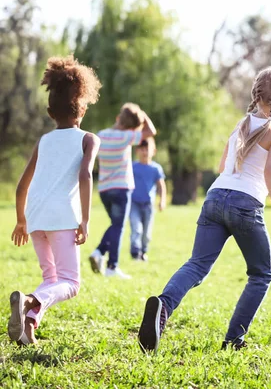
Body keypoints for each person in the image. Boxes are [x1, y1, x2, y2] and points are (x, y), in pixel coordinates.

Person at [138, 66, 271, 352]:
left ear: (256, 94)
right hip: (244, 205)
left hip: (214, 197)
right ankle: (233, 340)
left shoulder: (241, 124)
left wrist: (265, 178)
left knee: (197, 264)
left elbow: (224, 168)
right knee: (261, 274)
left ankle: (164, 305)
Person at [9, 55, 102, 345]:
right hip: (63, 217)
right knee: (71, 284)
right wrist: (85, 220)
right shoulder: (88, 139)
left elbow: (21, 186)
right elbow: (86, 176)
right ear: (83, 108)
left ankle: (28, 327)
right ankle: (28, 301)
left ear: (51, 112)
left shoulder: (44, 141)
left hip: (36, 217)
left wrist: (22, 220)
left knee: (52, 279)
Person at [88, 103, 157, 279]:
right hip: (121, 188)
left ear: (119, 118)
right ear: (133, 126)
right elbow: (151, 131)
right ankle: (112, 266)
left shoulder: (102, 135)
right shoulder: (127, 136)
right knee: (118, 227)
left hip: (104, 189)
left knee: (115, 225)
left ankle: (99, 253)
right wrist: (142, 112)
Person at [130, 137, 166, 262]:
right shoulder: (132, 167)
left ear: (153, 151)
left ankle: (143, 251)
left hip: (148, 205)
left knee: (146, 233)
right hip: (134, 203)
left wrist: (162, 200)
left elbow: (161, 185)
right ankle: (135, 253)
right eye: (142, 149)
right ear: (137, 151)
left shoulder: (156, 168)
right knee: (136, 229)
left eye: (147, 149)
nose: (144, 152)